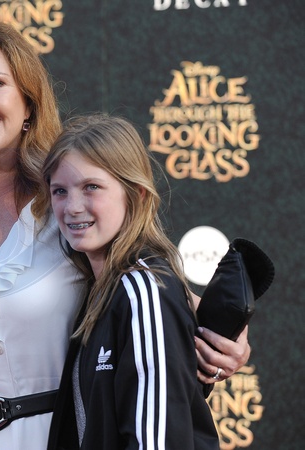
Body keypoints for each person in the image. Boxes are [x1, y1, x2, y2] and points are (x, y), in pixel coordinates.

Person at [0, 19, 248, 450]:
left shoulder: (69, 209)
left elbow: (152, 292)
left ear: (29, 102)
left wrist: (227, 339)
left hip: (57, 436)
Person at [40, 114, 219, 449]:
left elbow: (157, 441)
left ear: (135, 194)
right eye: (60, 191)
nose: (72, 207)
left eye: (91, 187)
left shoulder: (143, 288)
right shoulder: (98, 289)